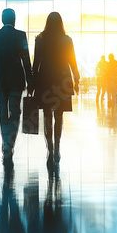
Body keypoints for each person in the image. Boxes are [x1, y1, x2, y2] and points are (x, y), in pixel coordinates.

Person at [0, 8, 32, 169]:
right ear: (14, 19)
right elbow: (26, 60)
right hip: (17, 80)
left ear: (2, 20)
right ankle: (10, 143)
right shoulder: (21, 36)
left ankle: (5, 144)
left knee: (2, 112)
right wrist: (30, 81)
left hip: (0, 81)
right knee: (16, 112)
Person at [31, 12, 80, 168]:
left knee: (46, 115)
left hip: (44, 80)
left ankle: (50, 149)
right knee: (59, 116)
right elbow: (72, 60)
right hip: (62, 80)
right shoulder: (67, 40)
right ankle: (57, 146)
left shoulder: (40, 39)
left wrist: (32, 83)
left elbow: (36, 62)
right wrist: (76, 79)